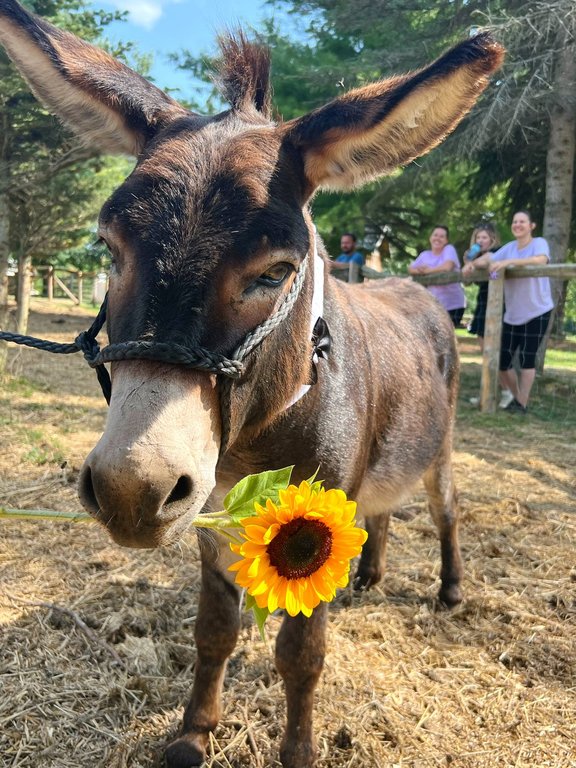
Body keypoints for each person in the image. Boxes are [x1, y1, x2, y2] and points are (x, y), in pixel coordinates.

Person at [472, 210, 554, 414]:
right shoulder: (509, 248)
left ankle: (522, 404)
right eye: (515, 221)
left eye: (522, 222)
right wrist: (473, 264)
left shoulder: (539, 243)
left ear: (531, 226)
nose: (518, 225)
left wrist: (509, 263)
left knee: (527, 358)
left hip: (538, 310)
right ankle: (516, 398)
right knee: (503, 360)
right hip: (513, 314)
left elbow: (540, 260)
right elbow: (490, 259)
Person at [462, 223, 514, 408]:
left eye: (484, 238)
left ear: (492, 239)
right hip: (484, 303)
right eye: (478, 238)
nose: (480, 241)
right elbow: (467, 282)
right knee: (486, 351)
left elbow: (490, 259)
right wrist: (468, 264)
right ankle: (490, 392)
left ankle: (507, 392)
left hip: (500, 303)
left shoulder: (497, 252)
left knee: (495, 351)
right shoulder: (476, 258)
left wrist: (471, 264)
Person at [408, 225, 466, 327]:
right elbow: (411, 269)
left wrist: (427, 271)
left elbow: (447, 266)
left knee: (446, 336)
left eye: (441, 236)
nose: (437, 238)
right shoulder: (425, 255)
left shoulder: (449, 249)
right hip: (433, 304)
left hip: (453, 304)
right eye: (435, 235)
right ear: (430, 238)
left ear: (446, 240)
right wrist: (420, 270)